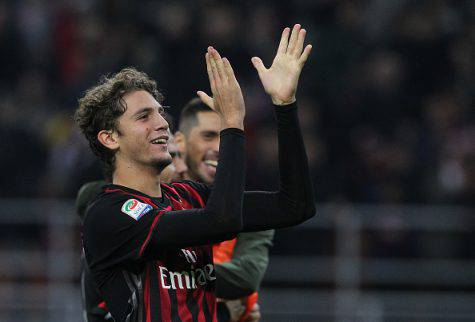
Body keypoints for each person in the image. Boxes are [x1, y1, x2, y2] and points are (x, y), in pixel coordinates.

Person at [75, 24, 314, 322]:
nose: (161, 122)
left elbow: (296, 206)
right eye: (144, 116)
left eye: (160, 112)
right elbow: (222, 221)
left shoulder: (189, 195)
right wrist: (232, 124)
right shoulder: (109, 213)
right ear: (110, 138)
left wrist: (285, 106)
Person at [174, 98, 274, 322]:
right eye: (208, 136)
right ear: (180, 142)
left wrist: (166, 277)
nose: (219, 148)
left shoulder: (250, 208)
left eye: (228, 137)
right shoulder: (157, 198)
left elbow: (245, 278)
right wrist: (222, 307)